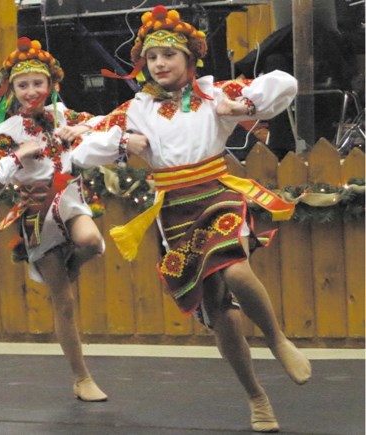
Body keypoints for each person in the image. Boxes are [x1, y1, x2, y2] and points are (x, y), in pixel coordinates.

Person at [72, 6, 311, 431]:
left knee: (235, 270)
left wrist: (240, 102)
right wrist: (126, 142)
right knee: (220, 312)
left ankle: (277, 340)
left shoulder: (213, 94)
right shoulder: (137, 108)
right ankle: (256, 396)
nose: (159, 63)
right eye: (151, 57)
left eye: (169, 54)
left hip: (217, 195)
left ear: (190, 58)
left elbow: (285, 84)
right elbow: (85, 147)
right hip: (175, 213)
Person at [0, 37, 107, 402]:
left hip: (71, 200)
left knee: (92, 243)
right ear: (12, 90)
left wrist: (82, 130)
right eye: (23, 84)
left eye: (38, 83)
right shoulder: (6, 131)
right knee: (63, 302)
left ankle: (73, 264)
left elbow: (110, 125)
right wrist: (18, 156)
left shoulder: (66, 114)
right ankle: (81, 377)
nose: (32, 90)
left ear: (51, 84)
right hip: (36, 215)